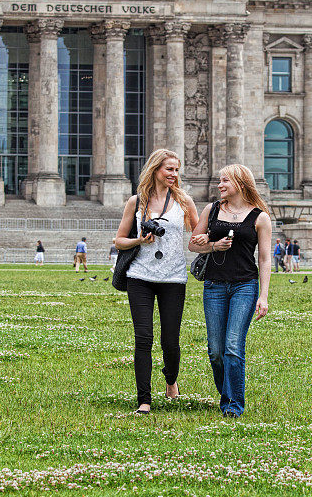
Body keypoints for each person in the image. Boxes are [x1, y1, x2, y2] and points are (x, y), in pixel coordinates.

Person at [116, 149, 199, 415]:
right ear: (155, 170)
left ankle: (171, 379)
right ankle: (144, 400)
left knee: (171, 341)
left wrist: (216, 243)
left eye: (177, 170)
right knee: (143, 338)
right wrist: (140, 240)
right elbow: (119, 241)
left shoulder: (184, 201)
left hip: (173, 277)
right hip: (140, 276)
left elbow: (198, 236)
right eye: (169, 169)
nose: (174, 175)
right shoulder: (136, 202)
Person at [189, 163, 271, 418]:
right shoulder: (211, 210)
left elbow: (265, 259)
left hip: (244, 286)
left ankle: (233, 406)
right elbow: (194, 245)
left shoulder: (260, 217)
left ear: (241, 183)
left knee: (233, 346)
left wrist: (264, 296)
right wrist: (212, 245)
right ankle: (226, 395)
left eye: (225, 181)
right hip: (214, 285)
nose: (220, 185)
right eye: (220, 181)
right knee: (215, 350)